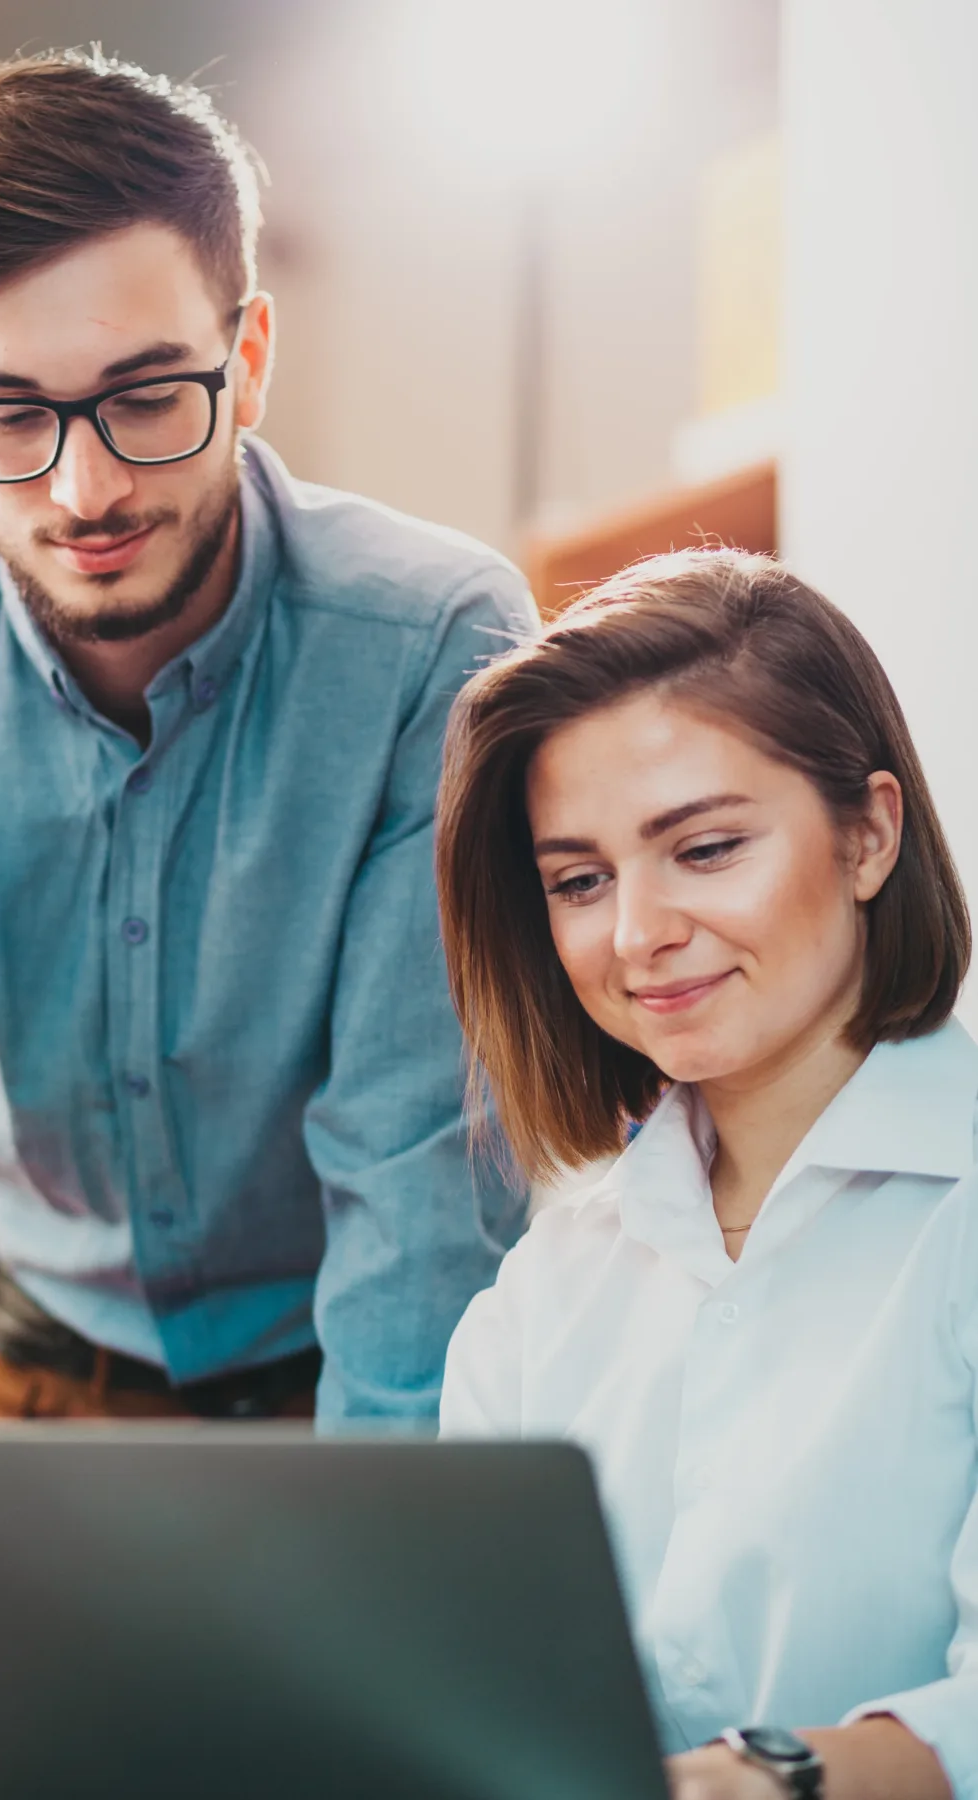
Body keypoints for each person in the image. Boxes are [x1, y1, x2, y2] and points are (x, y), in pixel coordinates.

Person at [0, 49, 532, 1792]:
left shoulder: (436, 640)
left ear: (255, 352)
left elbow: (415, 1192)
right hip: (37, 1403)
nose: (83, 488)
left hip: (356, 1395)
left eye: (152, 393)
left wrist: (375, 1629)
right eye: (10, 411)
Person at [436, 549, 978, 1800]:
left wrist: (761, 1782)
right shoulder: (543, 1297)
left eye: (708, 847)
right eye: (579, 880)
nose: (637, 934)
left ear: (870, 836)